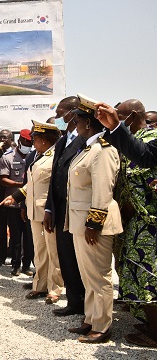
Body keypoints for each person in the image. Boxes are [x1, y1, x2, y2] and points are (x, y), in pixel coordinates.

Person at [94, 101, 157, 347]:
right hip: (132, 222)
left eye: (121, 116)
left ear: (132, 115)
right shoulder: (134, 138)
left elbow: (145, 160)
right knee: (133, 274)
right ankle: (149, 322)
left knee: (149, 276)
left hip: (149, 223)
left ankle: (154, 333)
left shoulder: (151, 136)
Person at [64, 101, 121, 343]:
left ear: (88, 122)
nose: (74, 125)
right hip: (81, 221)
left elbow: (103, 190)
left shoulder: (103, 149)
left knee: (99, 275)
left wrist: (94, 223)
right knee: (88, 275)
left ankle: (102, 326)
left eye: (77, 120)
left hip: (94, 223)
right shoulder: (88, 148)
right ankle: (90, 318)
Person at [1, 121, 63, 304]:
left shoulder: (56, 156)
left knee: (53, 251)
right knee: (40, 250)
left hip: (48, 211)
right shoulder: (38, 156)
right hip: (34, 211)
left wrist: (51, 209)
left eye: (35, 138)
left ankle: (55, 288)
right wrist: (17, 197)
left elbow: (55, 186)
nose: (32, 142)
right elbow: (33, 183)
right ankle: (40, 285)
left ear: (44, 140)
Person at [43, 96, 86, 317]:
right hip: (60, 209)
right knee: (66, 256)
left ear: (72, 113)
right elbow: (54, 178)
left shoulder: (87, 140)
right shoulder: (62, 141)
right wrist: (49, 208)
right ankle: (74, 302)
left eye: (61, 114)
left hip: (77, 210)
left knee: (81, 259)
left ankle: (87, 305)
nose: (58, 118)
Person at [0, 129, 32, 276]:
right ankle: (15, 265)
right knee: (16, 236)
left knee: (29, 236)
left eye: (30, 142)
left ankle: (26, 265)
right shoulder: (8, 157)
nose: (28, 144)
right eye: (26, 142)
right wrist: (21, 185)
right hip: (14, 204)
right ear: (20, 141)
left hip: (30, 203)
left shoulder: (34, 156)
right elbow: (3, 179)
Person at [0, 129, 14, 268]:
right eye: (0, 137)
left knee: (14, 227)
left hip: (11, 194)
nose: (2, 140)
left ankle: (14, 255)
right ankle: (0, 256)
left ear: (11, 139)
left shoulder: (16, 153)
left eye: (5, 138)